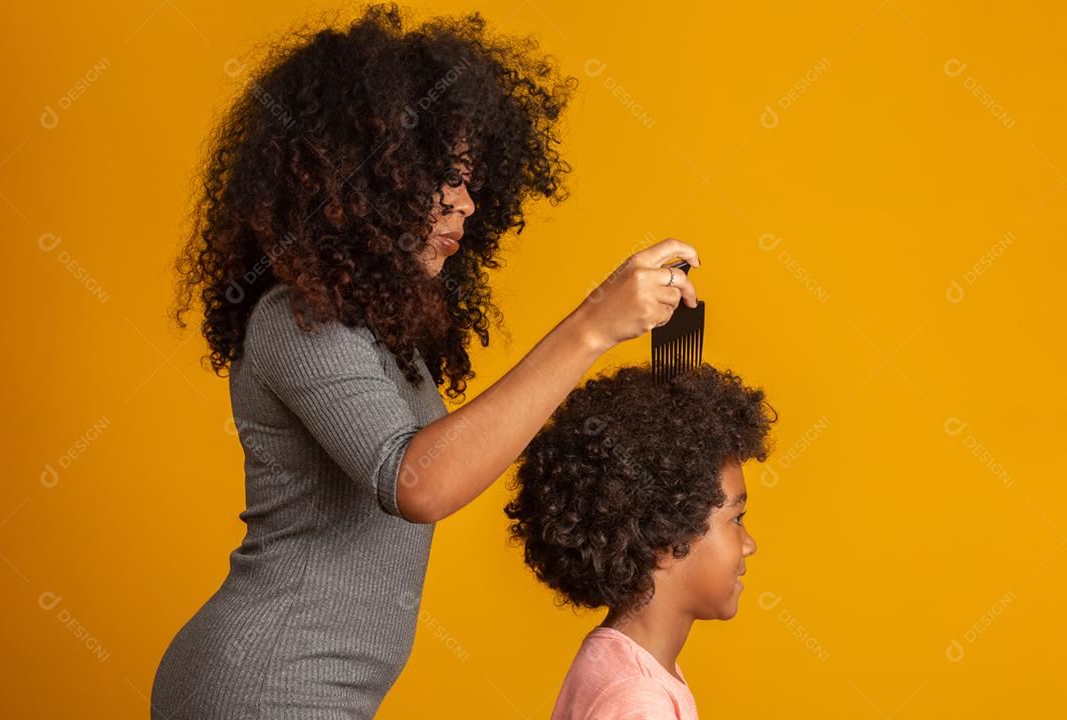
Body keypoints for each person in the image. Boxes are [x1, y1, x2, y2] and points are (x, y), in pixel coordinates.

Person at [151, 4, 701, 718]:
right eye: (446, 177)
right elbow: (417, 481)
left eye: (474, 179)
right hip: (265, 686)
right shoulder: (294, 319)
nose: (469, 204)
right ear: (362, 177)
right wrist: (593, 325)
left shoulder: (382, 332)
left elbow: (472, 446)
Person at [504, 363, 777, 719]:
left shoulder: (628, 670)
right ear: (666, 534)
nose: (749, 544)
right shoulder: (638, 702)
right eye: (736, 519)